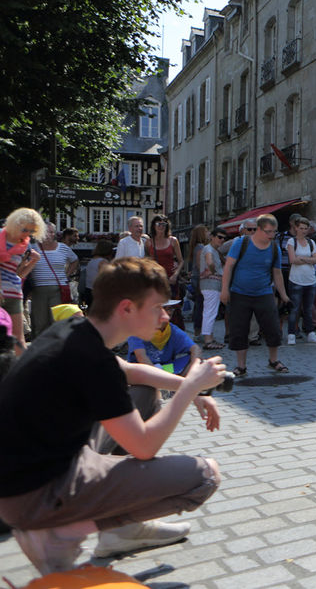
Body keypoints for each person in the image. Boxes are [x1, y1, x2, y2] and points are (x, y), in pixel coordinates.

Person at [0, 257, 224, 575]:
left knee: (145, 394)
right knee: (205, 476)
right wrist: (189, 388)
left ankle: (119, 533)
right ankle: (61, 531)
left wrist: (190, 388)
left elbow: (130, 370)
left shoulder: (75, 328)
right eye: (158, 307)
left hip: (28, 471)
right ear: (126, 309)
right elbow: (143, 446)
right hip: (33, 495)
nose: (165, 316)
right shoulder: (92, 359)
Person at [220, 214, 291, 376]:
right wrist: (224, 290)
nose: (271, 235)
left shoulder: (274, 248)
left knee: (273, 328)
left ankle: (273, 360)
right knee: (239, 330)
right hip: (239, 293)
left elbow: (277, 273)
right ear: (258, 229)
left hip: (264, 293)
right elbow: (229, 267)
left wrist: (284, 295)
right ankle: (241, 366)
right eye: (268, 232)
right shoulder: (241, 243)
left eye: (274, 232)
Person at [1, 208, 46, 354]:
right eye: (26, 228)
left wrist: (33, 262)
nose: (28, 233)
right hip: (6, 292)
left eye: (31, 231)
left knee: (19, 339)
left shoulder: (24, 244)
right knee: (15, 339)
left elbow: (18, 274)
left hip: (13, 292)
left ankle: (23, 373)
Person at [27, 223, 79, 339]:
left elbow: (75, 260)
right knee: (40, 322)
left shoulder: (63, 248)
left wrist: (67, 274)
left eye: (51, 232)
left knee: (56, 321)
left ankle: (56, 349)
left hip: (58, 288)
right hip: (38, 289)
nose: (48, 235)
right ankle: (39, 350)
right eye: (45, 232)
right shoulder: (32, 247)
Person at [128, 310, 200, 376]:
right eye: (164, 308)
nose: (169, 312)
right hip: (143, 369)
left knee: (199, 362)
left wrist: (185, 374)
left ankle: (177, 383)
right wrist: (159, 377)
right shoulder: (138, 329)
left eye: (170, 308)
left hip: (165, 367)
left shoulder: (172, 330)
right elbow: (141, 357)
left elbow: (195, 348)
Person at [284, 217, 316, 345]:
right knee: (294, 308)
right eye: (301, 228)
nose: (304, 231)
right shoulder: (291, 241)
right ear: (296, 228)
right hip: (296, 279)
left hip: (310, 279)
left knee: (308, 307)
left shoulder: (311, 242)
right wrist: (308, 259)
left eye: (306, 228)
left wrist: (303, 258)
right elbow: (292, 260)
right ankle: (291, 333)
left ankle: (310, 332)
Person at [146, 216, 184, 328]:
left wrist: (175, 274)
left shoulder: (173, 240)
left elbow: (181, 261)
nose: (161, 227)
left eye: (164, 224)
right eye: (159, 224)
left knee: (173, 307)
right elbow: (147, 261)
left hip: (171, 278)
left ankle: (174, 333)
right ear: (153, 226)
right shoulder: (149, 242)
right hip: (156, 280)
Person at [198, 228, 225, 350]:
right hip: (211, 284)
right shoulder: (209, 249)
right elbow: (210, 262)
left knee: (210, 311)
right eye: (219, 237)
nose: (222, 240)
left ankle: (210, 337)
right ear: (212, 237)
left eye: (224, 238)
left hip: (211, 284)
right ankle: (208, 340)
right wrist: (212, 271)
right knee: (210, 312)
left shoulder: (212, 249)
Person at [185, 224, 209, 337]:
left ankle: (198, 331)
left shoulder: (196, 247)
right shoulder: (200, 247)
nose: (208, 233)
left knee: (199, 305)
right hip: (200, 280)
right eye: (206, 231)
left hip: (197, 278)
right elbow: (201, 266)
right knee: (201, 306)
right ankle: (198, 332)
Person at [81, 240, 115, 308]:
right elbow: (106, 279)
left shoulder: (92, 261)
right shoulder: (103, 262)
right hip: (98, 293)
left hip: (88, 291)